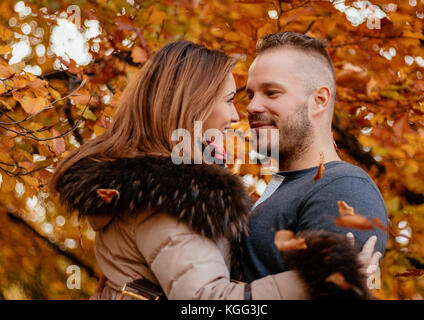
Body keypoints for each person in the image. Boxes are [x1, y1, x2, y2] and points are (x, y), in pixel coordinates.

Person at [50, 41, 378, 300]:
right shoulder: (167, 196)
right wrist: (322, 282)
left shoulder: (154, 188)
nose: (240, 114)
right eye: (231, 99)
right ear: (193, 105)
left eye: (271, 92)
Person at [238, 32, 388, 283]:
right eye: (251, 94)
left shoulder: (344, 188)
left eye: (272, 93)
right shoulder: (288, 186)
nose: (252, 107)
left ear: (319, 100)